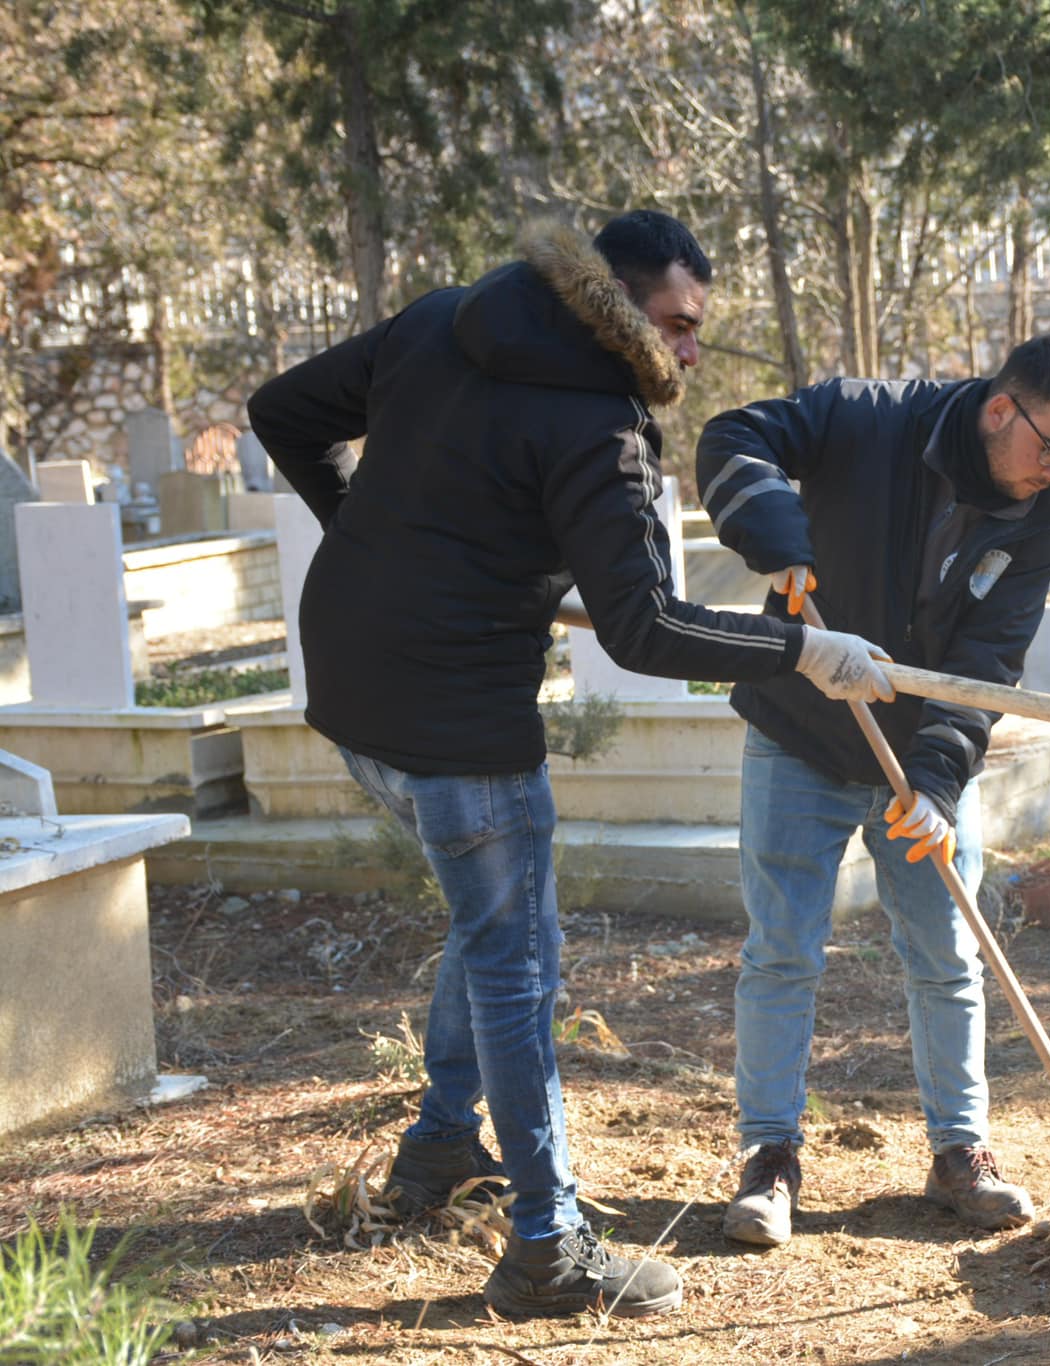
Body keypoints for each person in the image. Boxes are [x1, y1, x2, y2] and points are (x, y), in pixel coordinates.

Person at [247, 211, 893, 1318]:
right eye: (680, 324)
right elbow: (645, 631)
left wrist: (366, 535)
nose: (690, 351)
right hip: (455, 722)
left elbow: (281, 410)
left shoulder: (447, 319)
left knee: (490, 917)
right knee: (518, 958)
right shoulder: (602, 429)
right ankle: (547, 1244)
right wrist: (803, 649)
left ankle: (440, 1145)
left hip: (352, 688)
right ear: (618, 300)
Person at [695, 334, 1050, 1247]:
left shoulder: (1037, 524)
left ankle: (960, 1153)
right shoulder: (867, 416)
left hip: (916, 760)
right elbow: (731, 436)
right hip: (798, 731)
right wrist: (771, 533)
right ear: (1002, 407)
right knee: (782, 953)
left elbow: (987, 663)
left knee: (946, 956)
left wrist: (935, 782)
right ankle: (769, 1160)